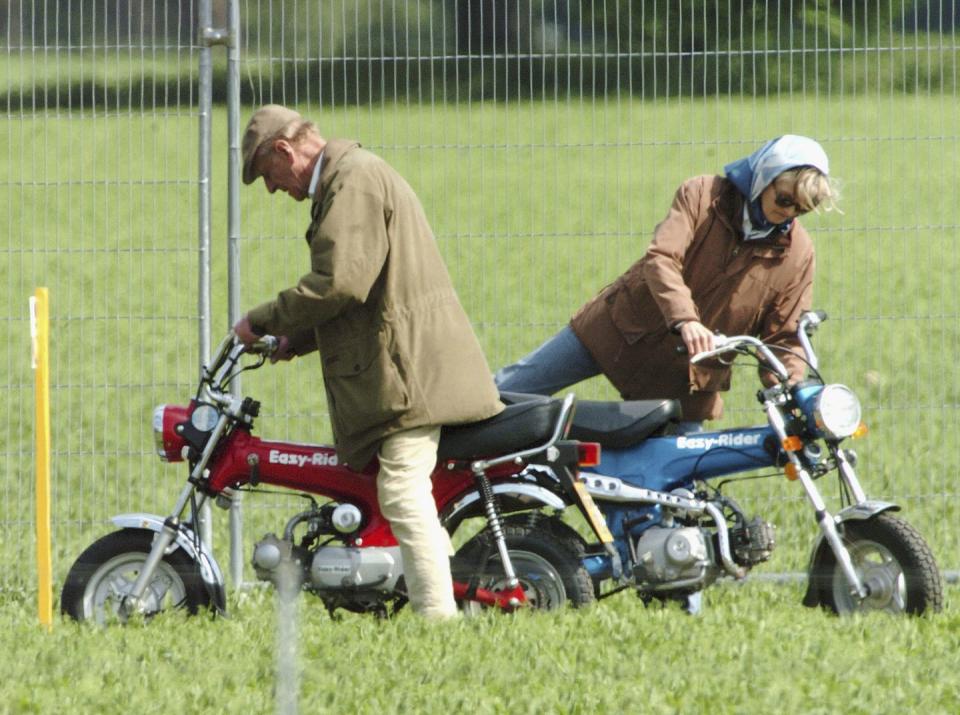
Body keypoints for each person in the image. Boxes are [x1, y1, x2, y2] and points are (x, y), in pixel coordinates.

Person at [233, 104, 503, 619]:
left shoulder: (351, 182)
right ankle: (440, 599)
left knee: (401, 493)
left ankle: (438, 625)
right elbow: (363, 290)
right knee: (402, 496)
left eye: (267, 175)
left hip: (410, 377)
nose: (272, 190)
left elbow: (341, 283)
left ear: (285, 151)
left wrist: (265, 320)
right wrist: (300, 340)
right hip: (410, 368)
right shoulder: (350, 176)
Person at [495, 135, 838, 426]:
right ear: (763, 177)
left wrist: (792, 388)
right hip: (618, 332)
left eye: (802, 208)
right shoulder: (702, 195)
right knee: (504, 395)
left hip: (686, 379)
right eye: (784, 199)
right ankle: (447, 468)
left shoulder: (798, 253)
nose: (789, 212)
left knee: (677, 495)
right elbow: (661, 259)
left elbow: (784, 336)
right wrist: (686, 319)